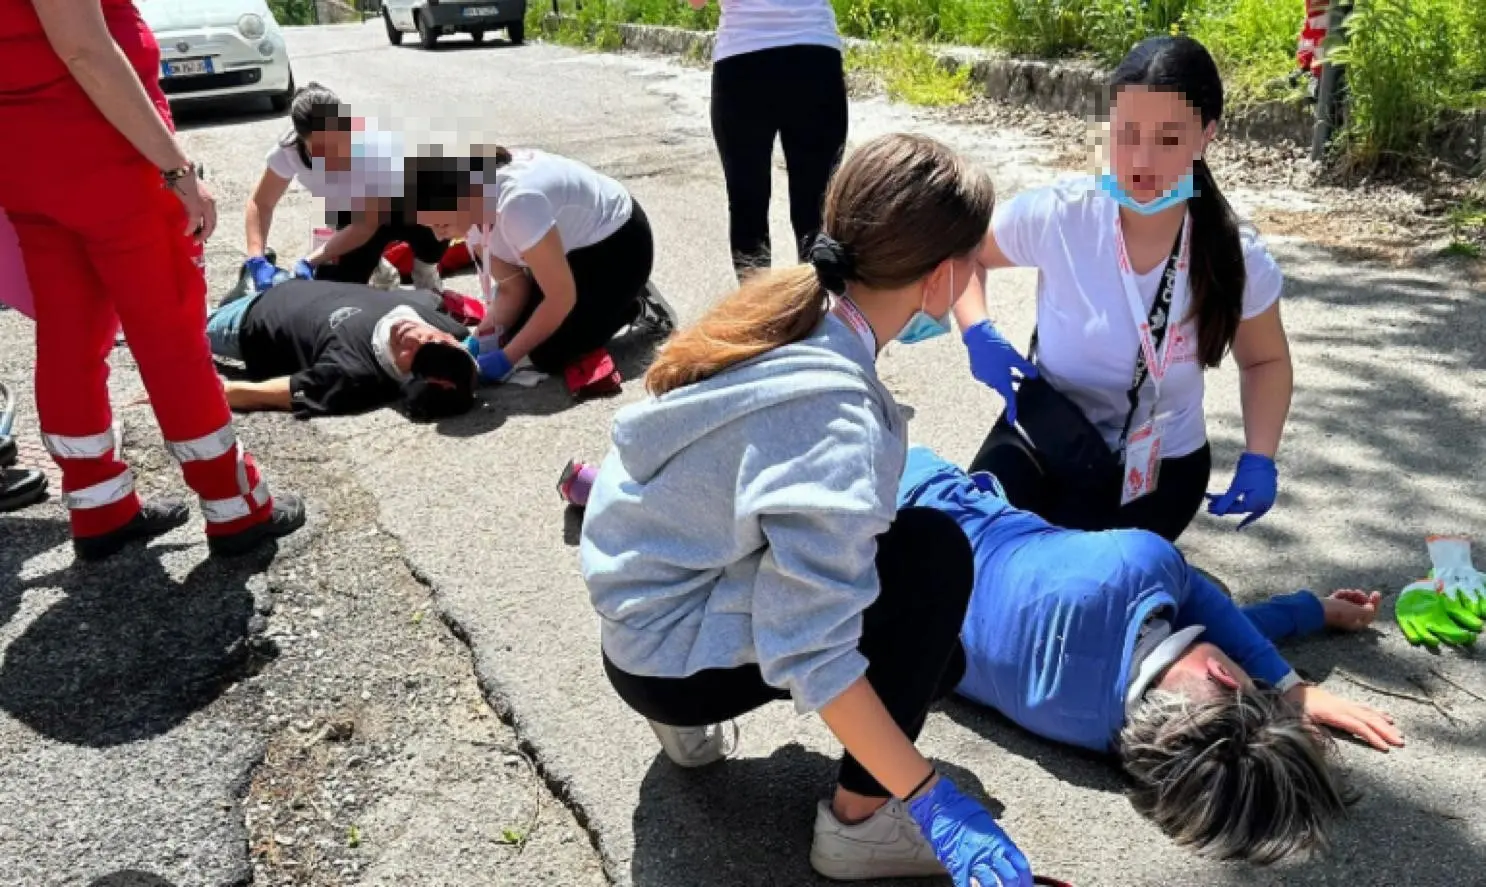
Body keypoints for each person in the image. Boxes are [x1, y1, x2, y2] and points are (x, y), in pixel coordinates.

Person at [581, 134, 1034, 887]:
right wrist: (927, 798)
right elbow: (813, 650)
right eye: (973, 268)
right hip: (671, 660)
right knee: (932, 556)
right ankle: (858, 825)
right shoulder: (840, 416)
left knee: (917, 626)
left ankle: (686, 723)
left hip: (632, 626)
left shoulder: (782, 319)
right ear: (940, 280)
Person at [898, 446, 1404, 863]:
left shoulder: (1131, 567)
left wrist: (1291, 686)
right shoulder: (1099, 736)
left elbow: (1205, 605)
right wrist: (1310, 613)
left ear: (1228, 678)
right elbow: (1209, 632)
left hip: (910, 484)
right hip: (892, 585)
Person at [955, 35, 1293, 542]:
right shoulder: (1062, 215)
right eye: (1126, 132)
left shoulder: (1235, 254)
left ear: (1206, 136)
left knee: (1091, 584)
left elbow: (1265, 361)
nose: (1142, 158)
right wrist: (977, 329)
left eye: (1169, 139)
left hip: (1160, 468)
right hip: (1045, 437)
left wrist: (1260, 456)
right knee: (970, 546)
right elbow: (964, 255)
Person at [0, 0, 304, 561]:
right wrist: (177, 169)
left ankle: (99, 506)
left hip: (23, 162)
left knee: (70, 339)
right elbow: (86, 51)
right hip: (107, 159)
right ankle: (234, 506)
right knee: (170, 339)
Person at [404, 147, 673, 383]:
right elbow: (513, 288)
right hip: (569, 247)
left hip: (619, 244)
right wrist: (476, 342)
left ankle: (634, 302)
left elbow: (560, 297)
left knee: (549, 353)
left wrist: (507, 360)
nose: (440, 237)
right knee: (513, 334)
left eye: (442, 225)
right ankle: (606, 298)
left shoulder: (517, 204)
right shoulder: (472, 202)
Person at [688, 0, 848, 278]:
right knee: (817, 205)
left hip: (742, 59)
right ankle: (820, 309)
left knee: (747, 204)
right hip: (815, 56)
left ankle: (759, 313)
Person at [243, 83, 447, 292]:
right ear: (302, 141)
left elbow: (367, 224)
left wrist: (309, 260)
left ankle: (425, 271)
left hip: (403, 203)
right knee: (341, 286)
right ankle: (379, 268)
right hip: (351, 213)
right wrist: (256, 259)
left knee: (438, 210)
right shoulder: (288, 151)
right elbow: (261, 203)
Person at [207, 279, 477, 421]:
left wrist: (206, 395)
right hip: (299, 283)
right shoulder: (445, 324)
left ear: (407, 381)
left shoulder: (354, 376)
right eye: (437, 346)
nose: (416, 338)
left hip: (246, 319)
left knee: (174, 323)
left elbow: (259, 394)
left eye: (418, 357)